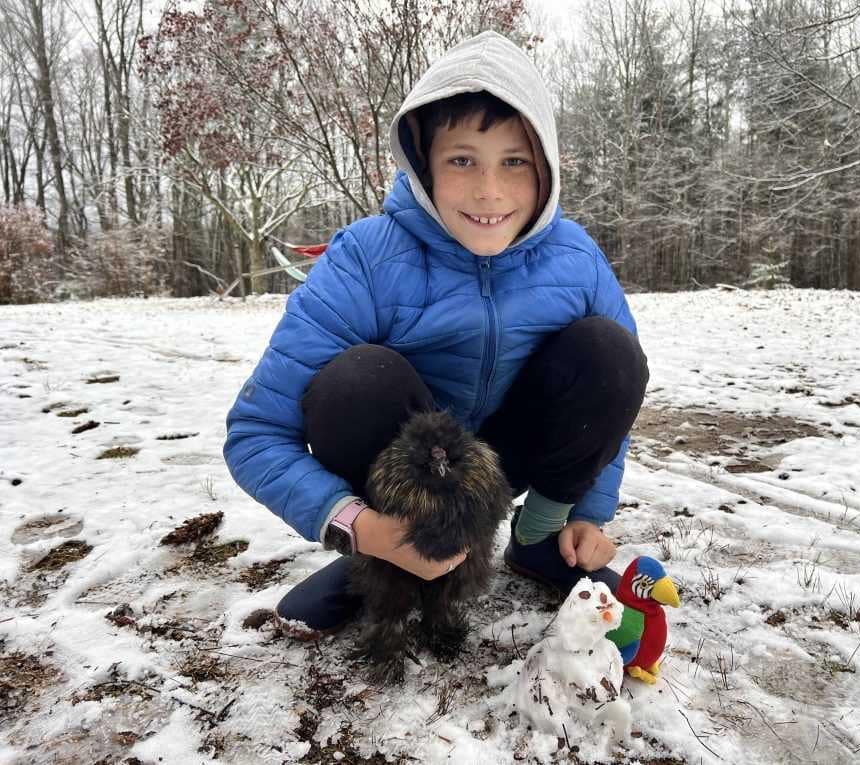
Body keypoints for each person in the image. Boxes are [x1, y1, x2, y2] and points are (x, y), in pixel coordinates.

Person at [223, 31, 648, 633]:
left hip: (508, 458)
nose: (489, 191)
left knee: (609, 352)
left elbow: (613, 402)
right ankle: (386, 559)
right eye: (462, 159)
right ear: (423, 163)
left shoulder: (576, 258)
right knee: (356, 379)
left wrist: (591, 513)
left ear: (546, 167)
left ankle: (541, 538)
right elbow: (257, 433)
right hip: (407, 478)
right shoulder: (366, 258)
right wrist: (356, 525)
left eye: (515, 162)